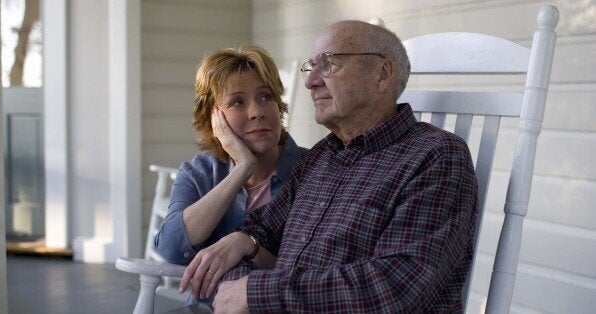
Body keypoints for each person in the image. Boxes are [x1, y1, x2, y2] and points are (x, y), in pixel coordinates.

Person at [180, 20, 479, 313]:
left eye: (329, 64)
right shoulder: (322, 157)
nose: (310, 82)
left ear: (381, 73)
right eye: (311, 67)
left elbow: (394, 286)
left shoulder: (435, 156)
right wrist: (242, 252)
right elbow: (256, 231)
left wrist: (254, 292)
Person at [153, 43, 307, 304]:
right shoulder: (198, 172)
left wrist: (249, 246)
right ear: (213, 117)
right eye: (237, 102)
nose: (257, 112)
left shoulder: (312, 168)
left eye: (266, 96)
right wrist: (242, 168)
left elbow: (309, 269)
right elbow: (170, 249)